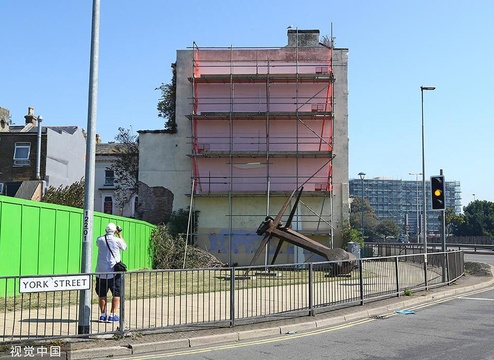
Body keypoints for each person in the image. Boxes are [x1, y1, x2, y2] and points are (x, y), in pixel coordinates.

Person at [95, 222, 127, 322]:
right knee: (116, 293)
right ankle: (112, 315)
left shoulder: (99, 239)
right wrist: (120, 235)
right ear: (115, 231)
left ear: (105, 230)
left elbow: (98, 244)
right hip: (113, 271)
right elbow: (124, 247)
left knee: (102, 294)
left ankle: (103, 315)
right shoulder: (117, 240)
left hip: (100, 271)